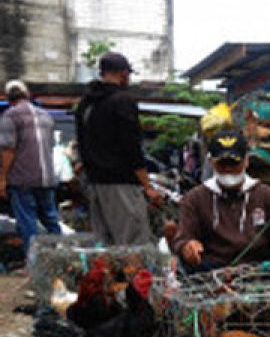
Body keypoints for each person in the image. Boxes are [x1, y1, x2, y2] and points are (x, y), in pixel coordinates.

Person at [75, 51, 164, 245]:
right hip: (122, 184)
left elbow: (81, 143)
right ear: (124, 74)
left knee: (106, 246)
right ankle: (133, 277)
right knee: (133, 245)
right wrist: (148, 187)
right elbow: (132, 147)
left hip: (95, 184)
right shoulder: (122, 100)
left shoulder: (86, 103)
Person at [172, 131, 270, 271]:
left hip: (258, 267)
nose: (228, 169)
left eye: (234, 163)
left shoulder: (266, 195)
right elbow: (182, 237)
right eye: (222, 163)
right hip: (212, 270)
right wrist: (187, 246)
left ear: (246, 161)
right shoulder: (195, 198)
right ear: (211, 162)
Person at [0, 80, 63, 261]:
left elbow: (8, 150)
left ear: (9, 98)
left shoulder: (10, 117)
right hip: (47, 179)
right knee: (51, 220)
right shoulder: (46, 116)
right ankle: (60, 259)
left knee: (27, 223)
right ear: (28, 95)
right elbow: (50, 147)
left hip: (22, 179)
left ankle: (34, 264)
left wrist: (2, 178)